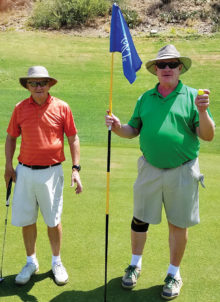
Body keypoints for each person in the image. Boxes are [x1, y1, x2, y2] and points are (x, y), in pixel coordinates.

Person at [105, 45, 215, 300]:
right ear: (155, 70)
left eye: (172, 64)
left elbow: (208, 136)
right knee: (140, 218)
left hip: (182, 170)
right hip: (150, 169)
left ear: (179, 68)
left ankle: (174, 273)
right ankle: (135, 265)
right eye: (162, 65)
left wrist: (201, 110)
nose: (166, 68)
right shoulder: (145, 98)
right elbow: (133, 130)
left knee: (178, 223)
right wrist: (117, 126)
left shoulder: (192, 97)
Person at [4, 66, 83, 286]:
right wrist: (8, 166)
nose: (38, 87)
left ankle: (56, 262)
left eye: (42, 83)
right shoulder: (20, 108)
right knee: (27, 220)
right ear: (27, 86)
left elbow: (73, 138)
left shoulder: (62, 107)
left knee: (53, 220)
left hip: (52, 172)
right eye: (33, 83)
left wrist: (76, 168)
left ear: (49, 85)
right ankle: (31, 262)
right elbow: (11, 138)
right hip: (25, 172)